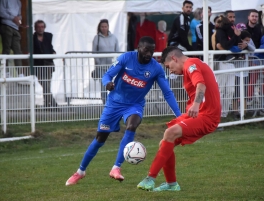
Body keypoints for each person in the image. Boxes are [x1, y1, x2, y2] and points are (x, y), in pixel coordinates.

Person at [65, 36, 181, 186]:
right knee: (100, 139)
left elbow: (167, 93)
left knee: (132, 125)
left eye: (152, 51)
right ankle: (80, 172)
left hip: (135, 105)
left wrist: (179, 116)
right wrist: (107, 83)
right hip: (114, 103)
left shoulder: (156, 68)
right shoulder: (126, 58)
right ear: (138, 48)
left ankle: (116, 168)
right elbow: (107, 75)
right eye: (146, 50)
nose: (149, 54)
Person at [137, 46, 221, 191]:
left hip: (207, 116)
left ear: (174, 58)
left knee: (170, 134)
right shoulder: (192, 65)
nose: (170, 71)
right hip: (198, 113)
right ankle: (171, 184)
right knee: (165, 141)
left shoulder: (190, 64)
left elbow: (201, 84)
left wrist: (196, 104)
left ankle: (150, 178)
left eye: (169, 67)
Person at [92, 19, 119, 104]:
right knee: (104, 85)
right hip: (101, 66)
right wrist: (98, 63)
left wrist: (115, 64)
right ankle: (106, 102)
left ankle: (114, 101)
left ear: (108, 27)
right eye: (102, 27)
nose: (104, 28)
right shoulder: (97, 38)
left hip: (112, 66)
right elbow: (94, 52)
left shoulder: (114, 38)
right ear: (100, 28)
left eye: (105, 26)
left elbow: (117, 51)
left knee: (114, 83)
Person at [33, 20, 56, 107]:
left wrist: (53, 52)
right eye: (38, 27)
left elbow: (50, 47)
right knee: (44, 83)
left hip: (48, 62)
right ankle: (53, 104)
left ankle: (47, 104)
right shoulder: (32, 37)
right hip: (38, 64)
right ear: (35, 28)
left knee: (47, 84)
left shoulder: (48, 36)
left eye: (42, 27)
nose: (40, 29)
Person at [0, 0, 23, 77]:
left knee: (17, 51)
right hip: (6, 25)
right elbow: (0, 12)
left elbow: (19, 16)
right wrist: (12, 18)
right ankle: (6, 73)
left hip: (16, 28)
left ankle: (20, 74)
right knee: (6, 49)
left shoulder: (18, 2)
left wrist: (20, 23)